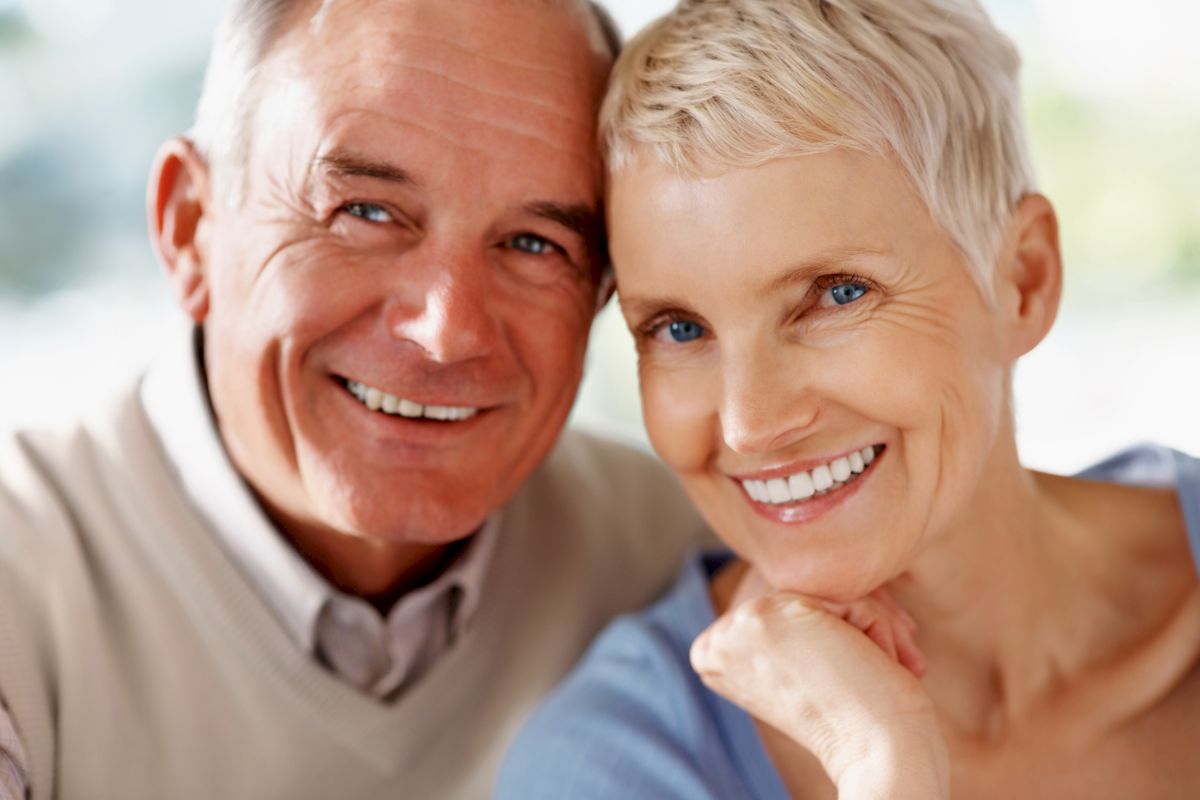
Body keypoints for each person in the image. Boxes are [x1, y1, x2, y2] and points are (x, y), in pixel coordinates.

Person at [0, 1, 711, 798]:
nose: (449, 330)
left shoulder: (684, 557)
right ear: (190, 227)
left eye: (535, 244)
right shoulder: (20, 586)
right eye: (366, 212)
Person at [496, 0, 1200, 796]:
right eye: (679, 328)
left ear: (1023, 282)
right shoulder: (610, 764)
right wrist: (880, 759)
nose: (751, 424)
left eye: (834, 295)